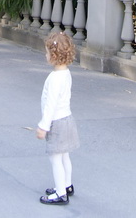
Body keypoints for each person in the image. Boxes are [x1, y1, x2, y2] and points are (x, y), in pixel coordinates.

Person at [36, 31, 79, 206]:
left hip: (56, 123)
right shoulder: (66, 73)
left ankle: (60, 193)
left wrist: (43, 126)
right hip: (67, 119)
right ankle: (67, 185)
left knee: (55, 158)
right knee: (64, 156)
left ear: (54, 56)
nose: (46, 55)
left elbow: (50, 105)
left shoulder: (54, 78)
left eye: (47, 52)